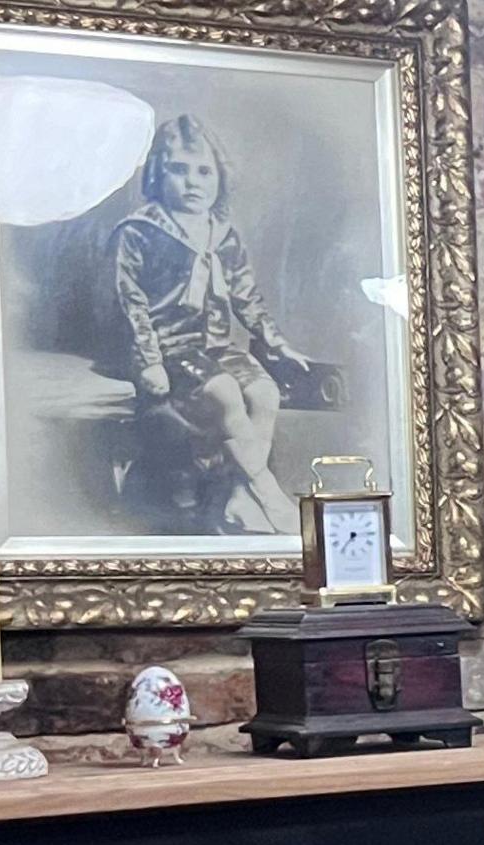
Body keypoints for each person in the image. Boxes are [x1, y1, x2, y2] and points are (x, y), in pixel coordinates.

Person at [111, 115, 308, 534]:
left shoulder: (223, 234)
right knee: (224, 395)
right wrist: (148, 361)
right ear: (157, 176)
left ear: (219, 176)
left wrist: (276, 341)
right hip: (170, 348)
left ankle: (238, 495)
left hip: (217, 347)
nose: (192, 183)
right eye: (178, 171)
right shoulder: (140, 231)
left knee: (265, 393)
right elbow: (129, 302)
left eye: (204, 171)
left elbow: (246, 297)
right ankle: (267, 491)